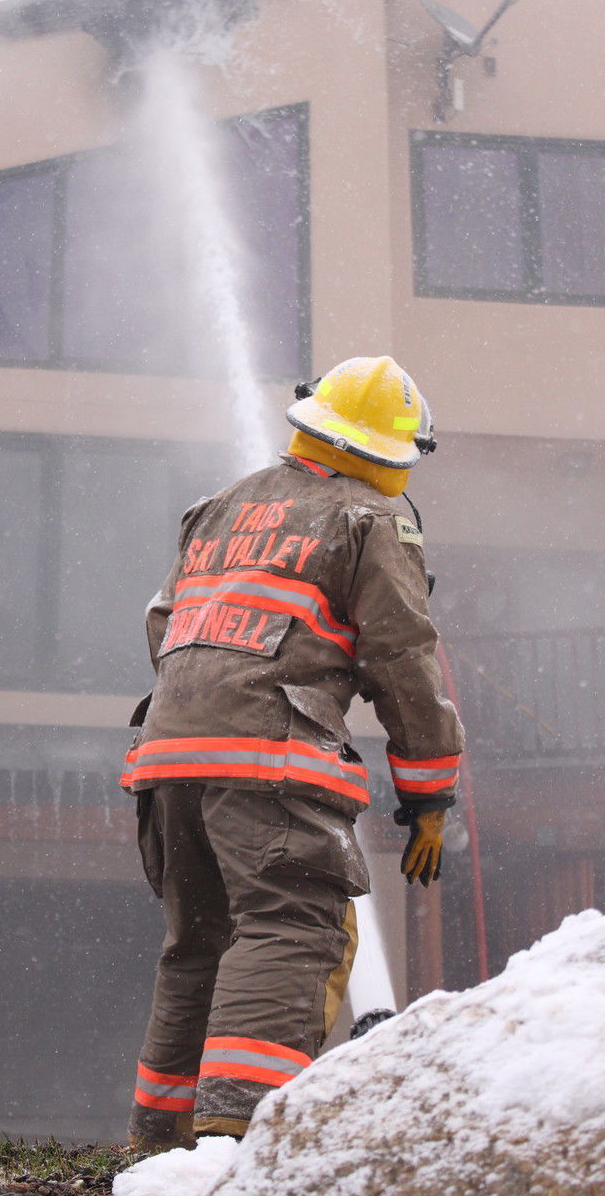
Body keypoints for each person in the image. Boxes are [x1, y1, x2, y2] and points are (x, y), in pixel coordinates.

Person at [121, 356, 464, 1149]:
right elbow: (403, 661)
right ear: (389, 450)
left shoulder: (218, 507)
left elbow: (161, 626)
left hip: (167, 755)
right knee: (292, 929)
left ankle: (160, 1140)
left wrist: (206, 712)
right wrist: (430, 795)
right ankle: (238, 1136)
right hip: (269, 760)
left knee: (197, 942)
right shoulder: (369, 522)